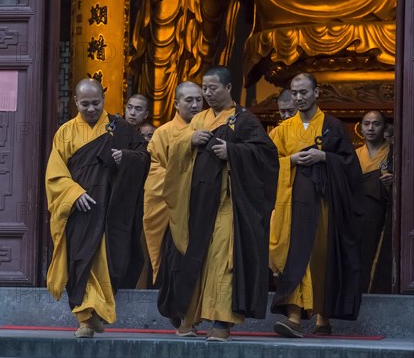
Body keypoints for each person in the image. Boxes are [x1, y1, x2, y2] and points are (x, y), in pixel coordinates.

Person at [158, 66, 279, 341]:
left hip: (228, 204)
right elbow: (174, 149)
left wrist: (234, 152)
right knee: (194, 258)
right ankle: (189, 317)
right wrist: (190, 139)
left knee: (222, 260)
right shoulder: (199, 119)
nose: (208, 93)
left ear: (228, 89)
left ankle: (221, 322)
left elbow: (266, 155)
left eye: (213, 88)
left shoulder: (244, 120)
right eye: (205, 88)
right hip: (198, 204)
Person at [45, 78, 149, 338]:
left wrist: (125, 158)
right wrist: (73, 193)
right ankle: (85, 317)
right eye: (85, 104)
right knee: (81, 260)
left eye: (96, 103)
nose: (91, 109)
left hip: (112, 209)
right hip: (80, 209)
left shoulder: (121, 129)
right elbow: (55, 174)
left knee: (107, 261)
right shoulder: (66, 132)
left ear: (104, 99)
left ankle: (96, 313)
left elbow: (144, 157)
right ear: (75, 102)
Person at [269, 73, 364, 338]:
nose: (298, 98)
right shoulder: (282, 130)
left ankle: (323, 317)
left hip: (324, 207)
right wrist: (291, 160)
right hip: (293, 207)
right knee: (296, 257)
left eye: (303, 93)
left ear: (316, 93)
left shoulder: (333, 126)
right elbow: (265, 163)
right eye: (294, 93)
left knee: (321, 258)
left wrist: (324, 156)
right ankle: (294, 317)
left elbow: (350, 167)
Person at [143, 81, 203, 289]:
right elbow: (154, 168)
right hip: (172, 208)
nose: (195, 105)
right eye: (189, 100)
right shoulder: (164, 133)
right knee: (174, 260)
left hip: (201, 205)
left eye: (199, 100)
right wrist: (182, 183)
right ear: (177, 103)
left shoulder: (210, 129)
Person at [356, 111, 393, 293]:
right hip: (356, 216)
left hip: (382, 215)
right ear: (360, 127)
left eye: (376, 124)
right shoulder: (354, 155)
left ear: (384, 128)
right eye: (367, 124)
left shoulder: (393, 154)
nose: (370, 128)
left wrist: (393, 183)